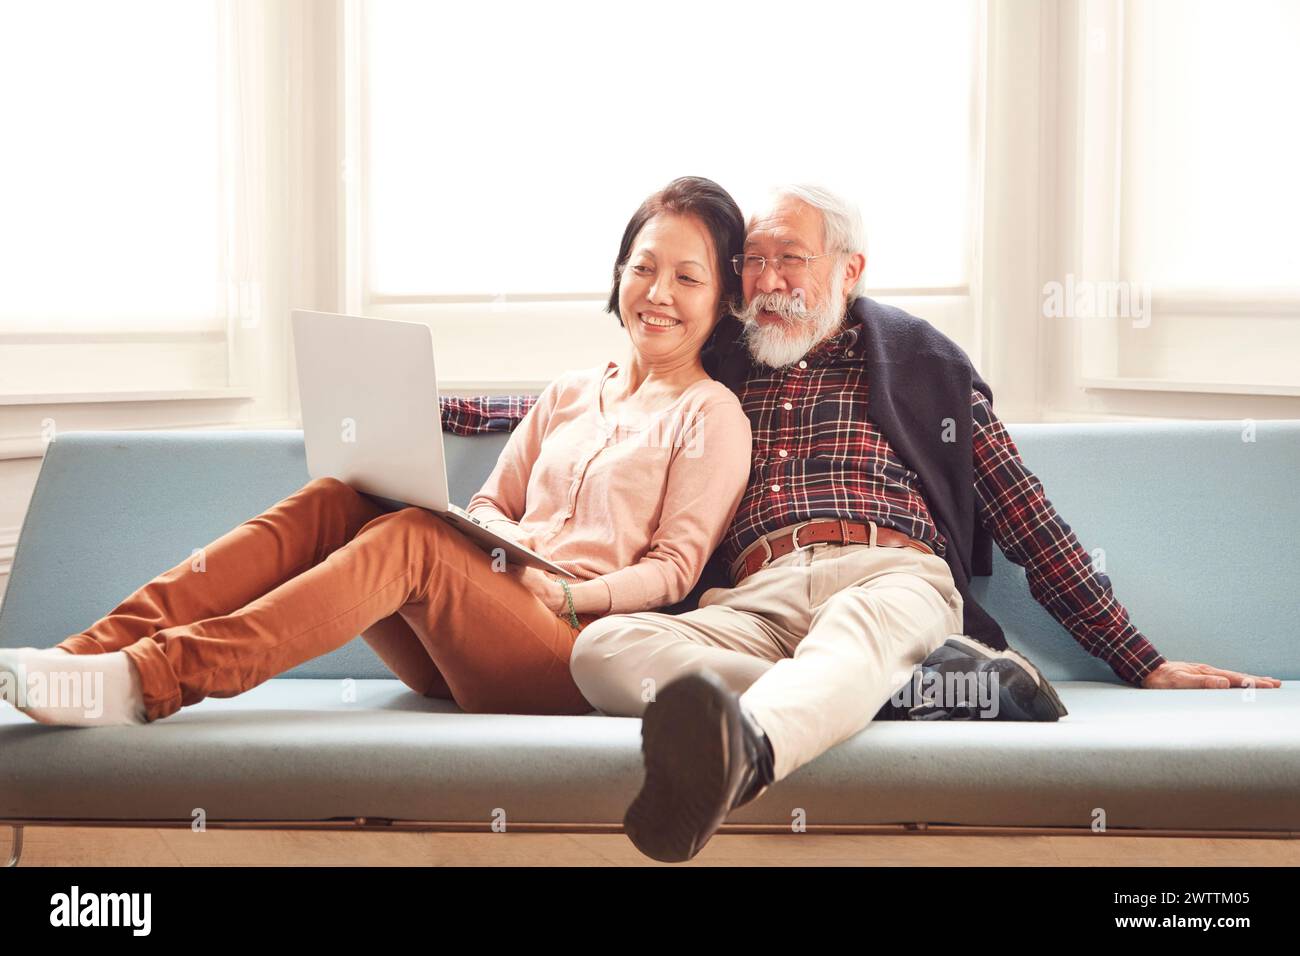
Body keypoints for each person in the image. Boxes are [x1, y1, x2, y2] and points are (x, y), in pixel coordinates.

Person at [451, 183, 1285, 862]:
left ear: (848, 271)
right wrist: (456, 412)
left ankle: (743, 754)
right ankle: (917, 693)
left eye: (793, 260)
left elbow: (1031, 520)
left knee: (851, 635)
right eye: (755, 262)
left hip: (886, 573)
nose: (769, 281)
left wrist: (1141, 661)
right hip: (757, 599)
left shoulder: (921, 366)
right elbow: (611, 399)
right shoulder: (725, 364)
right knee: (606, 650)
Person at [0, 176, 753, 727]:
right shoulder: (569, 391)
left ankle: (146, 680)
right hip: (467, 634)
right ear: (619, 273)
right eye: (644, 266)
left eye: (688, 277)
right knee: (342, 497)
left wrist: (565, 594)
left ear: (721, 302)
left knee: (415, 539)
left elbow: (672, 571)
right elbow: (495, 501)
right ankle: (82, 659)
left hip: (563, 652)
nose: (658, 292)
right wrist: (495, 540)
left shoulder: (711, 415)